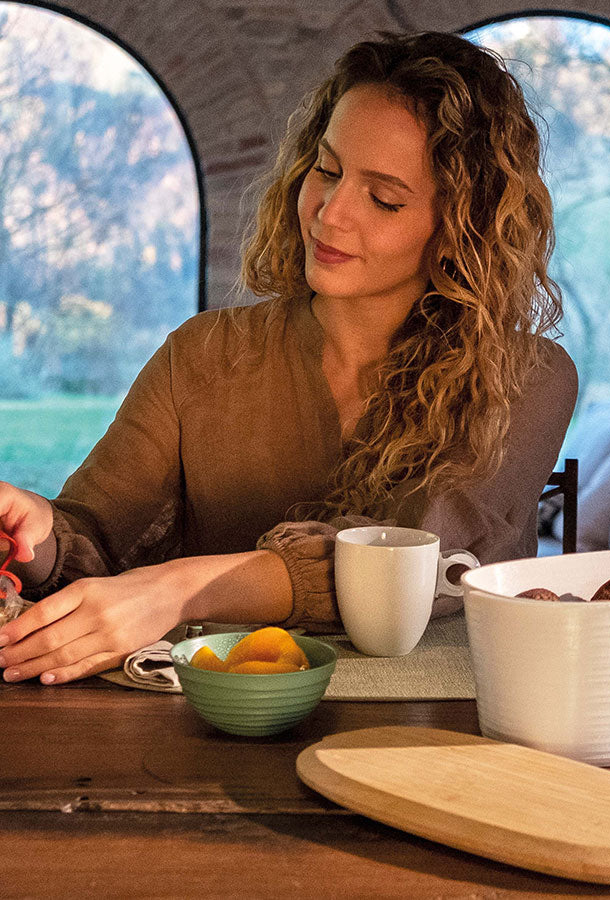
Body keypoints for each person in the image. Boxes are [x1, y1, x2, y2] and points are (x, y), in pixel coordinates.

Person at [0, 31, 577, 685]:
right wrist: (36, 530)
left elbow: (415, 565)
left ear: (458, 228)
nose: (330, 213)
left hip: (433, 735)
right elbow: (93, 544)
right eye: (327, 170)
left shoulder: (527, 378)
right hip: (211, 729)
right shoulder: (202, 355)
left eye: (383, 198)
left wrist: (182, 590)